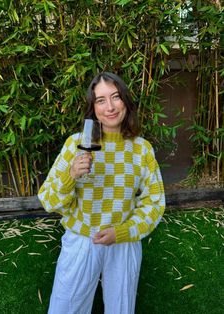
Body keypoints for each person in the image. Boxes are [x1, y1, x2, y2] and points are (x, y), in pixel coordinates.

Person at [38, 72, 165, 314]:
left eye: (115, 97)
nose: (110, 107)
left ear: (125, 101)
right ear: (92, 107)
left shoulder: (142, 149)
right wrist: (70, 176)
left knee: (121, 309)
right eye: (101, 100)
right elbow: (48, 200)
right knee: (66, 308)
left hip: (123, 242)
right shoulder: (74, 144)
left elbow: (154, 203)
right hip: (81, 241)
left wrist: (123, 231)